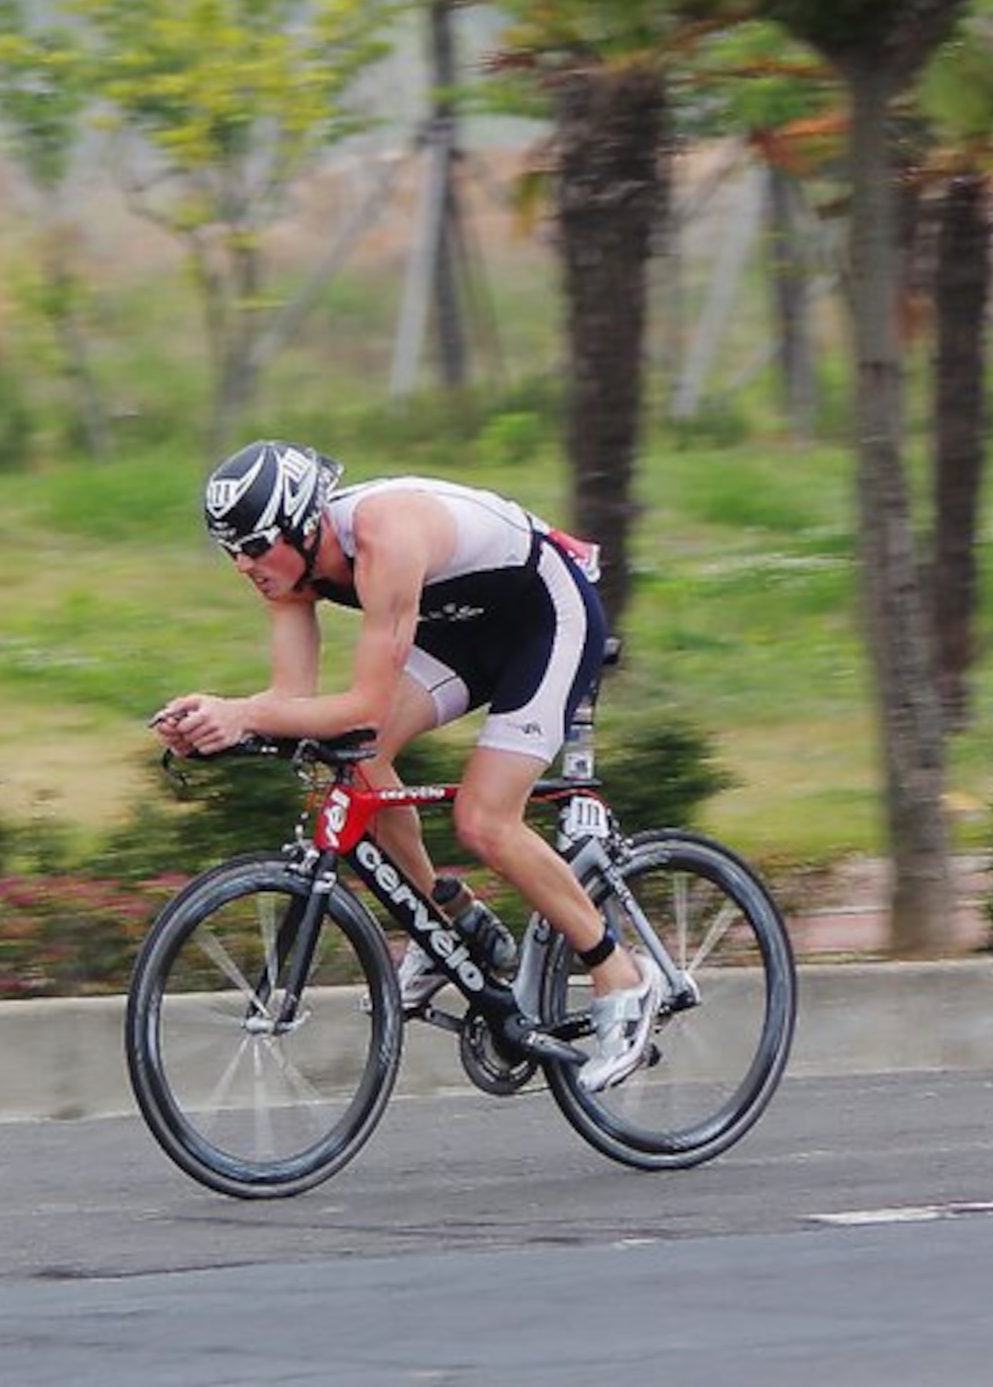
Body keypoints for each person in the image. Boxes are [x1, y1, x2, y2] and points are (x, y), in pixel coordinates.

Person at [154, 439, 661, 1093]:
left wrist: (243, 714)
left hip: (545, 615)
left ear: (304, 526)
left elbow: (361, 707)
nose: (242, 565)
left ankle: (621, 975)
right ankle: (452, 923)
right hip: (463, 634)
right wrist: (214, 725)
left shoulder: (383, 533)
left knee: (483, 820)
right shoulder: (288, 574)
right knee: (354, 763)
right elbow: (292, 705)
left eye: (254, 546)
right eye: (231, 550)